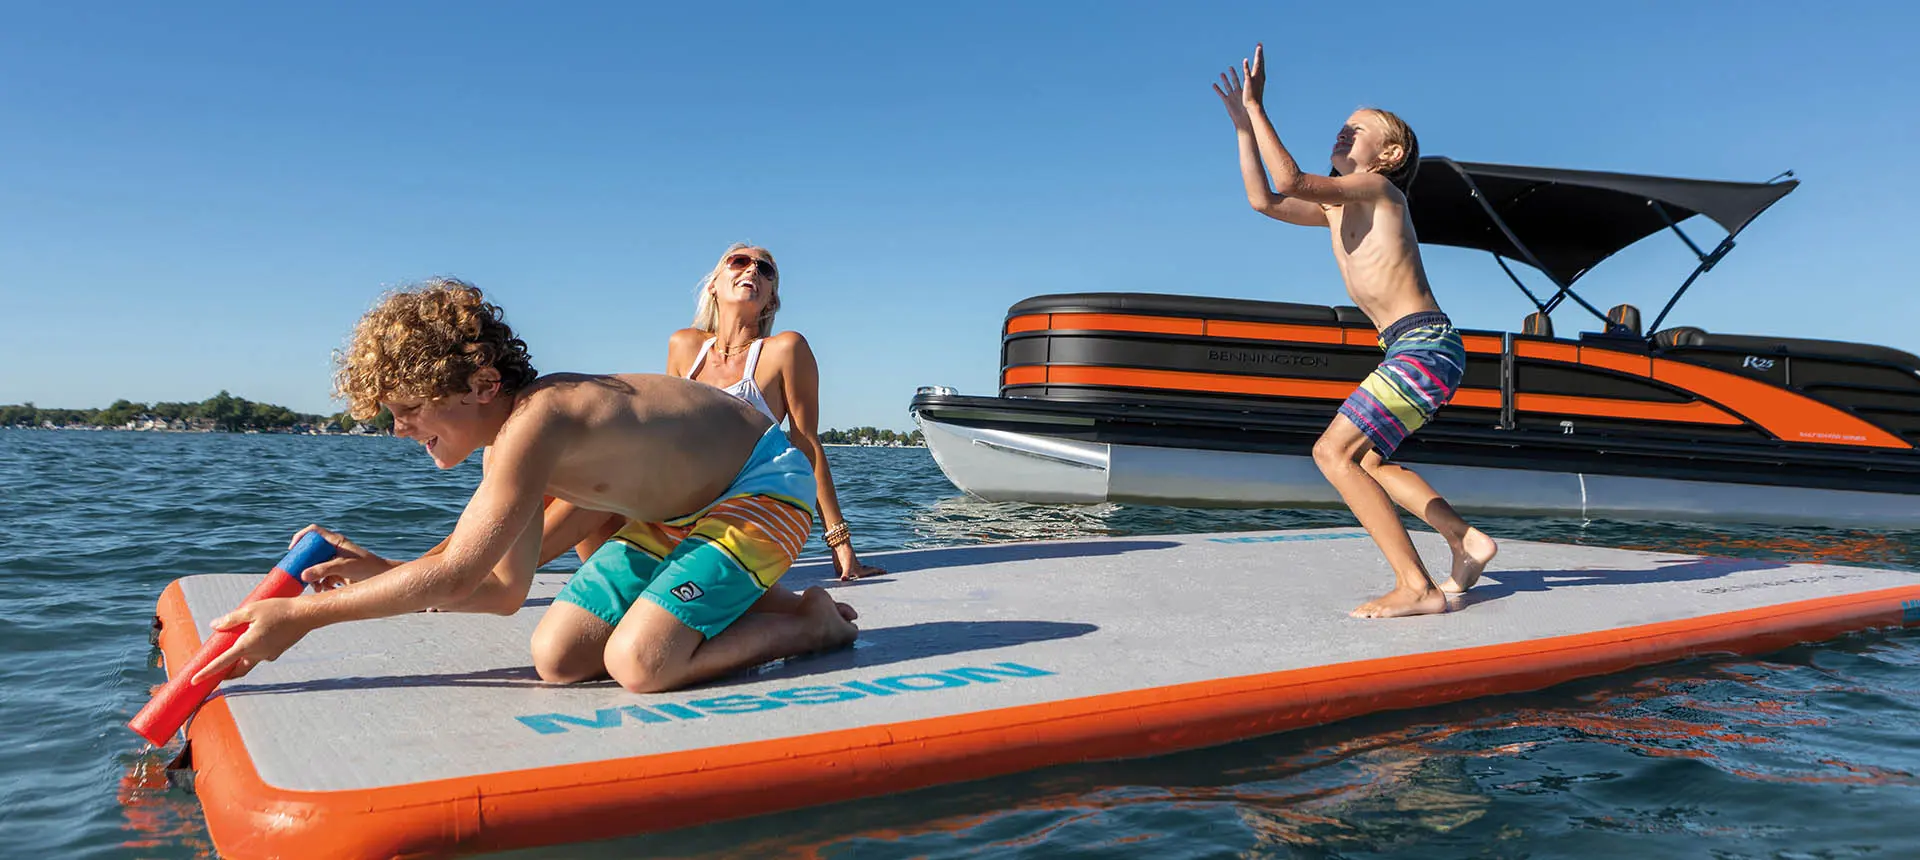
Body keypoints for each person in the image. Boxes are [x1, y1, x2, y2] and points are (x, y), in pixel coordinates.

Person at [192, 279, 859, 692]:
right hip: (681, 517)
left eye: (411, 408)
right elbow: (502, 590)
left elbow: (456, 576)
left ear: (483, 385)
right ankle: (741, 599)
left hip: (762, 491)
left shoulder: (540, 421)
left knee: (641, 664)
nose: (398, 429)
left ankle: (810, 624)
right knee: (558, 656)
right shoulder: (506, 449)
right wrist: (383, 573)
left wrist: (299, 618)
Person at [1214, 44, 1497, 618]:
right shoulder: (1337, 207)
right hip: (1417, 349)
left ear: (1389, 154)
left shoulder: (1379, 189)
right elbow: (1264, 199)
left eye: (1358, 129)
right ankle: (1464, 539)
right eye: (1342, 127)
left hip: (1423, 346)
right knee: (1367, 461)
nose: (1343, 132)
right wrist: (1244, 128)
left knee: (1332, 452)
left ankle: (1416, 587)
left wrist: (1259, 107)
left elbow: (1291, 178)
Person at [666, 243, 885, 581]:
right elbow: (667, 440)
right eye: (739, 261)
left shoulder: (785, 350)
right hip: (684, 507)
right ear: (713, 285)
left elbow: (806, 444)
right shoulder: (684, 347)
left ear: (771, 299)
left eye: (765, 269)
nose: (752, 269)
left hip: (746, 509)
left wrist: (840, 543)